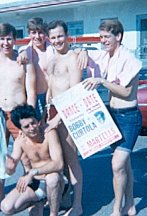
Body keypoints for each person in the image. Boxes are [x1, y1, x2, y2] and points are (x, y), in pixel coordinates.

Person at [83, 20, 142, 216]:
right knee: (124, 165)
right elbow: (86, 54)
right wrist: (82, 52)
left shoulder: (130, 59)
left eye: (107, 37)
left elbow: (125, 92)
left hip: (129, 118)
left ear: (118, 36)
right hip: (113, 116)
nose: (103, 41)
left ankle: (117, 209)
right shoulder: (107, 55)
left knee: (116, 165)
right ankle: (131, 205)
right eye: (101, 37)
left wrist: (102, 81)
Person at [0, 23, 36, 215]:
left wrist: (29, 116)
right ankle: (0, 200)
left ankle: (31, 197)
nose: (6, 43)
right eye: (2, 39)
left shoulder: (22, 61)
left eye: (9, 38)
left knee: (27, 158)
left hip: (19, 114)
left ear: (14, 39)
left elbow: (30, 90)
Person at [46, 20, 83, 216]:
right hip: (52, 111)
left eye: (60, 36)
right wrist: (47, 112)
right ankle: (64, 198)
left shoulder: (73, 58)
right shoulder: (52, 58)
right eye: (53, 37)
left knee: (71, 160)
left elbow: (75, 93)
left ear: (67, 35)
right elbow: (51, 87)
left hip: (67, 113)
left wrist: (58, 118)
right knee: (56, 159)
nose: (57, 40)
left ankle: (77, 205)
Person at [0, 104, 64, 216]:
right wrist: (9, 168)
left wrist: (33, 172)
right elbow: (11, 169)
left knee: (52, 179)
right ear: (20, 129)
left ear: (38, 121)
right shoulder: (20, 142)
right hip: (35, 181)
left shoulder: (49, 133)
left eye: (33, 123)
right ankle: (39, 201)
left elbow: (59, 164)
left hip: (55, 180)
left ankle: (53, 214)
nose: (32, 128)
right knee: (6, 207)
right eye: (26, 126)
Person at [19, 17, 88, 121]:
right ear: (29, 34)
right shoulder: (24, 52)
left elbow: (69, 52)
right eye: (33, 32)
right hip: (34, 98)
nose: (37, 36)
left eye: (40, 32)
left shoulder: (52, 49)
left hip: (55, 98)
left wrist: (83, 50)